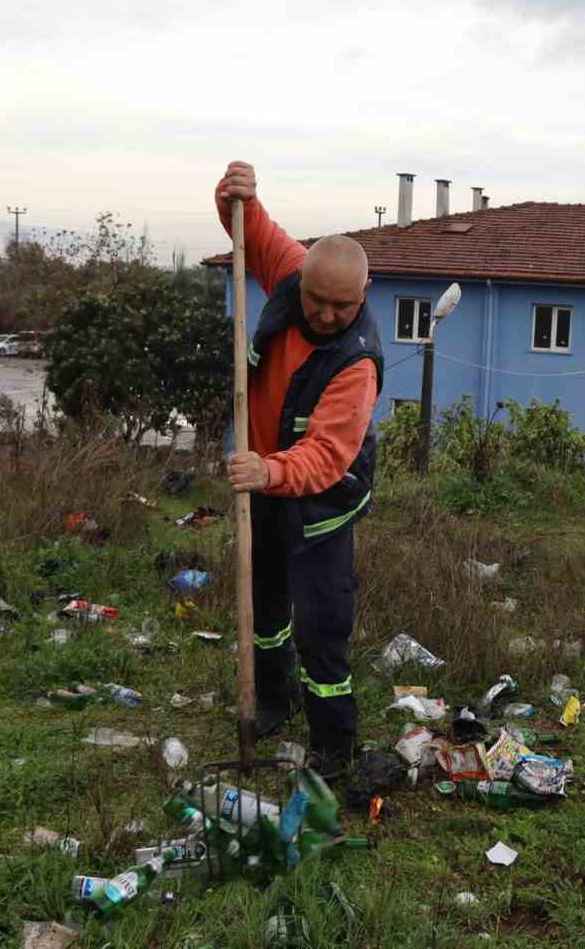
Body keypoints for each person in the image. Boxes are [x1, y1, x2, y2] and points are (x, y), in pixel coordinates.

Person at [216, 160, 382, 779]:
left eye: (342, 305)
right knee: (264, 608)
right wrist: (237, 193)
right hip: (259, 483)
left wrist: (268, 471)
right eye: (317, 300)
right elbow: (248, 227)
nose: (326, 314)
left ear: (362, 295)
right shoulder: (291, 275)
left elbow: (325, 457)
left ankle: (334, 746)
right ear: (304, 278)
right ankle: (271, 702)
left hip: (320, 504)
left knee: (322, 627)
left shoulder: (356, 365)